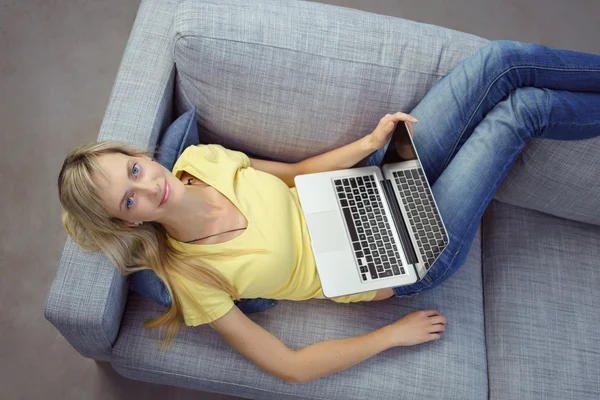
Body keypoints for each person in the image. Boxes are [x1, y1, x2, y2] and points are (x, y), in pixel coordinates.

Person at [57, 41, 600, 384]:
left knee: (498, 65)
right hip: (404, 257)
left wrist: (371, 139)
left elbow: (298, 174)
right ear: (129, 222)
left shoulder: (202, 160)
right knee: (521, 113)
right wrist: (390, 335)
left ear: (139, 155)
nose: (149, 187)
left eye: (133, 169)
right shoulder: (189, 277)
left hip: (371, 184)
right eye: (130, 200)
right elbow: (288, 367)